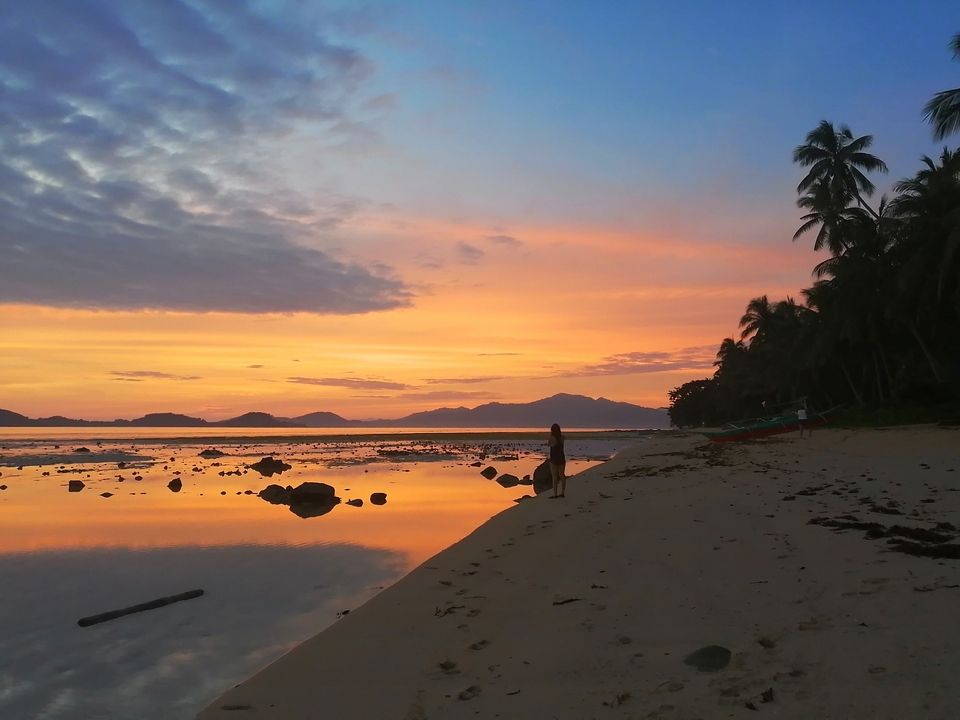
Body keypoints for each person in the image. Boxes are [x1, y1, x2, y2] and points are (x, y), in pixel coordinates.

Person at [548, 423, 566, 498]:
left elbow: (548, 444)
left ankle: (555, 494)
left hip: (554, 458)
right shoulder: (562, 437)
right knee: (562, 476)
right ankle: (562, 493)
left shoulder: (551, 438)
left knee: (554, 477)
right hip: (561, 458)